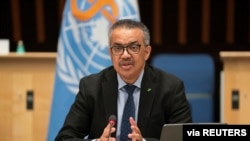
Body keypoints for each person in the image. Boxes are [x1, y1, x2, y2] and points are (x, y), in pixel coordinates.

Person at [55, 19, 192, 141]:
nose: (125, 55)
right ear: (110, 53)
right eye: (118, 48)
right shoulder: (91, 87)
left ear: (147, 52)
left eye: (133, 47)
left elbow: (183, 137)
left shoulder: (170, 88)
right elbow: (64, 137)